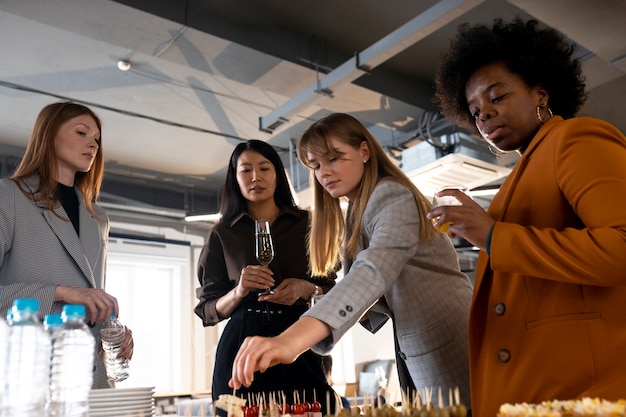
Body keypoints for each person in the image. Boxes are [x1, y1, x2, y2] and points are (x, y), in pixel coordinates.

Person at [430, 17, 626, 417]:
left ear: (540, 92)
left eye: (497, 97)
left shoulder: (575, 138)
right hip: (536, 392)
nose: (484, 115)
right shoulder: (519, 177)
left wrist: (492, 237)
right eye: (475, 109)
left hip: (582, 391)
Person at [228, 113, 474, 409]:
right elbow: (377, 287)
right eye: (316, 165)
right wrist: (317, 298)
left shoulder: (392, 195)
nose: (324, 173)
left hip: (450, 339)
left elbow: (372, 272)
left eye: (334, 158)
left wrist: (290, 341)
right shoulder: (359, 208)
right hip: (417, 346)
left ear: (364, 152)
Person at [194, 139, 338, 412]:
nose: (255, 177)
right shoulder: (222, 233)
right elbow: (207, 311)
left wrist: (306, 288)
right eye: (245, 170)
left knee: (315, 409)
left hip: (298, 338)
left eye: (264, 168)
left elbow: (336, 290)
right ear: (234, 178)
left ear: (278, 175)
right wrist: (238, 291)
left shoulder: (308, 224)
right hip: (241, 345)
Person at [0, 101, 134, 388]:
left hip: (91, 374)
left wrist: (113, 328)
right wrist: (60, 293)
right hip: (31, 375)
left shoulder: (98, 216)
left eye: (97, 139)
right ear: (49, 135)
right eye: (82, 133)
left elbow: (91, 294)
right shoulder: (9, 196)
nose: (93, 144)